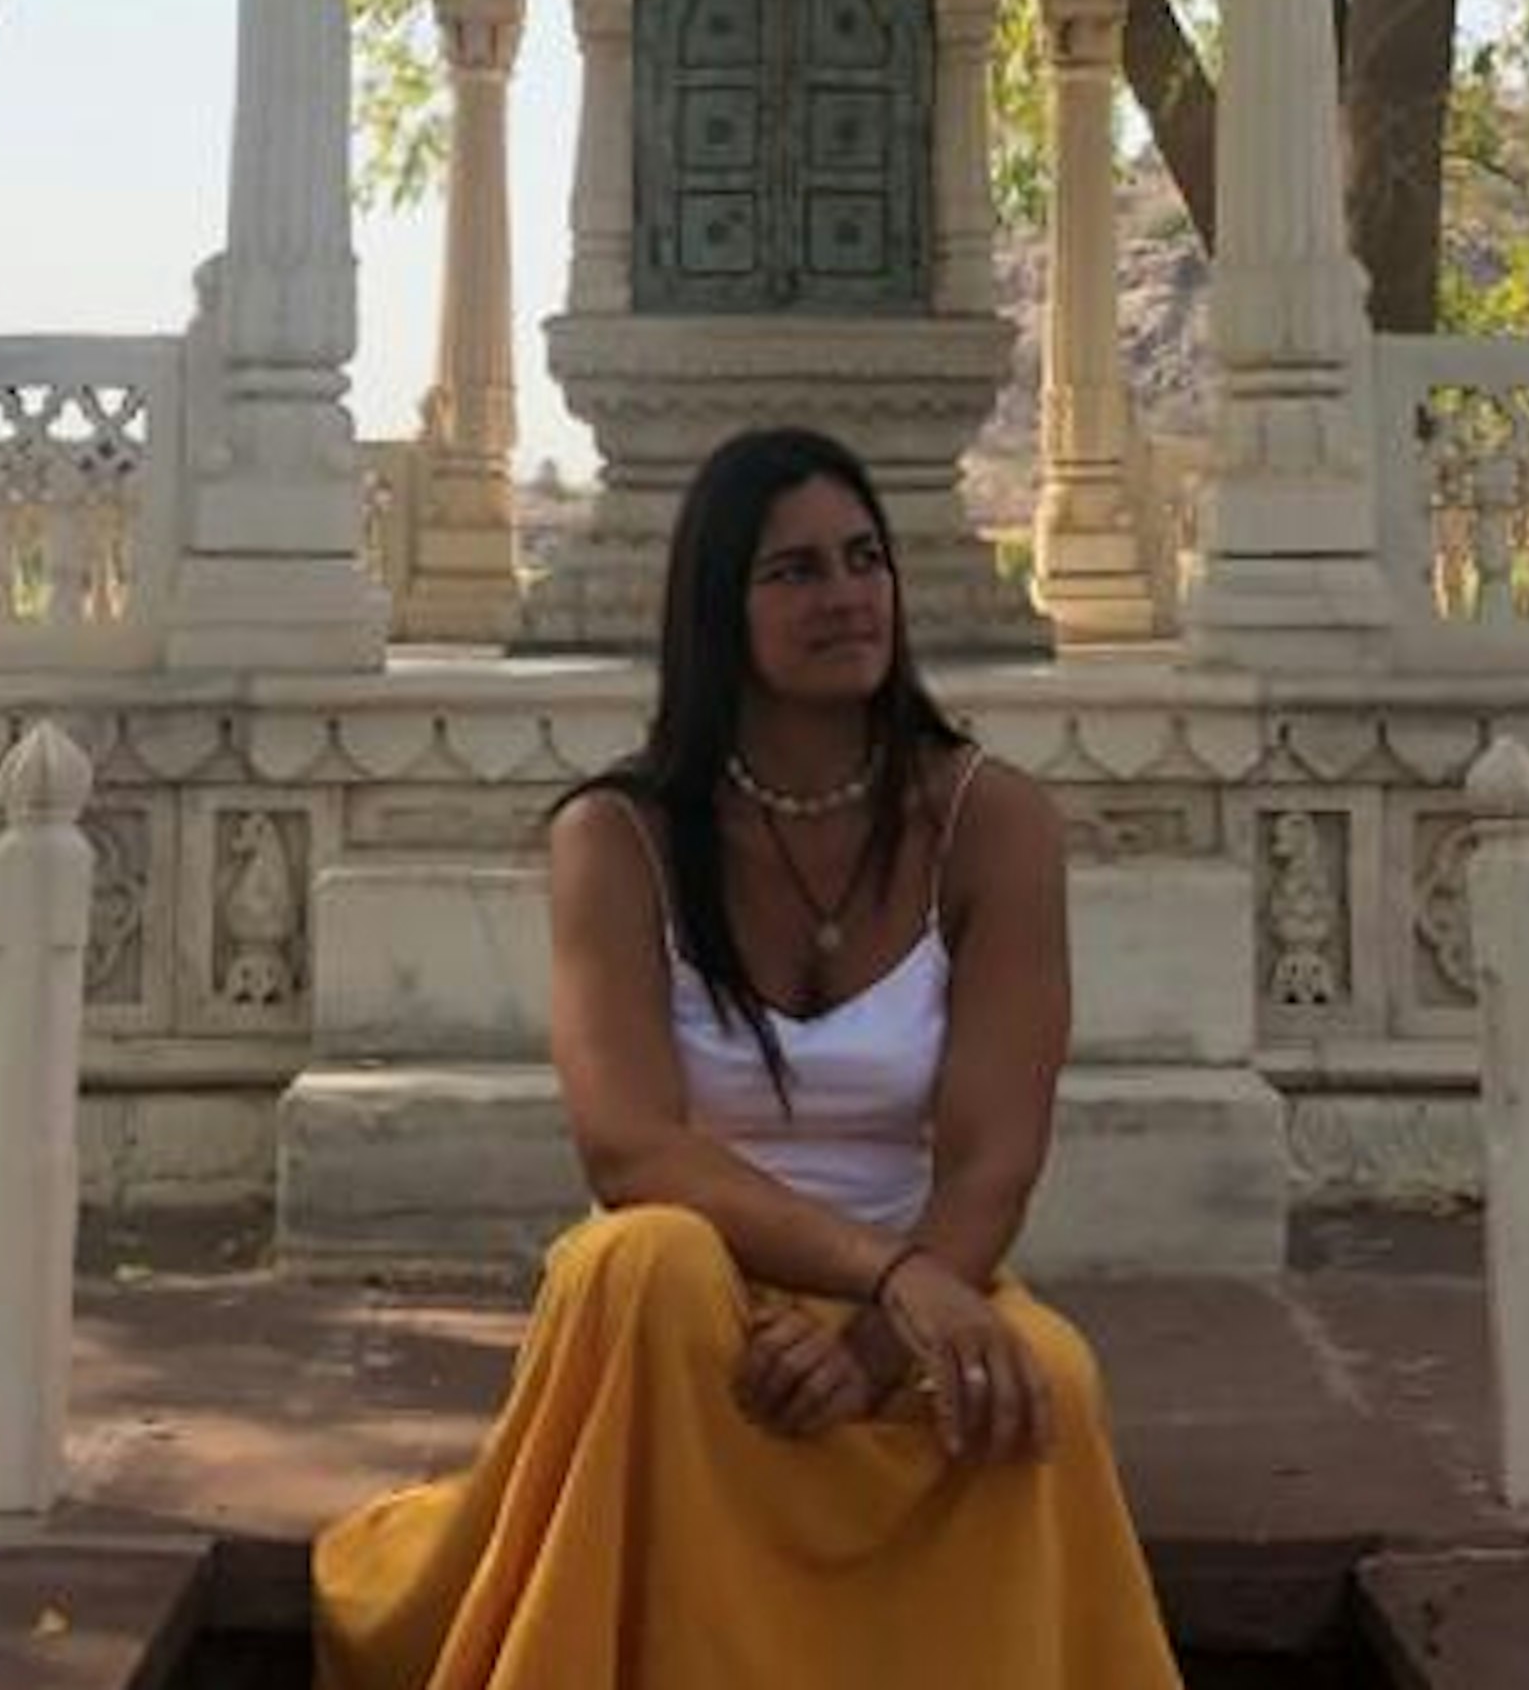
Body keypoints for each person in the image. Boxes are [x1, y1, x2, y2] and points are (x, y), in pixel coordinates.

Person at [313, 425, 1183, 1690]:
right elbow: (630, 1149)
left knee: (1041, 1375)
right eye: (795, 572)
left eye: (864, 558)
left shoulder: (991, 822)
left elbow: (995, 1154)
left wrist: (886, 1333)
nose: (847, 595)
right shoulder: (616, 836)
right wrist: (888, 1279)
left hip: (920, 1283)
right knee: (646, 1260)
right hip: (708, 1294)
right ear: (718, 609)